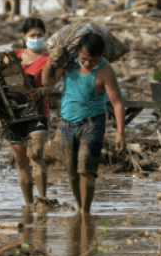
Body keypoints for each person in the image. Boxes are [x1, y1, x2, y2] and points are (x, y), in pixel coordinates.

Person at [42, 32, 125, 213]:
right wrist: (50, 61)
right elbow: (46, 82)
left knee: (86, 170)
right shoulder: (68, 64)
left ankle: (85, 211)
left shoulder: (105, 70)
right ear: (79, 52)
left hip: (92, 124)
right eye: (84, 58)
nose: (88, 64)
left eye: (93, 60)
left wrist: (120, 135)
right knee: (71, 172)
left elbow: (117, 102)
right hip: (66, 124)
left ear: (101, 57)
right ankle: (80, 207)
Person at [6, 17, 53, 206]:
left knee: (36, 154)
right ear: (24, 37)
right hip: (14, 113)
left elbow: (52, 84)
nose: (36, 37)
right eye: (32, 35)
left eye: (40, 35)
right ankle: (29, 205)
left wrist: (41, 91)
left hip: (38, 111)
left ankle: (42, 200)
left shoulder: (49, 59)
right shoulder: (12, 57)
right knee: (20, 160)